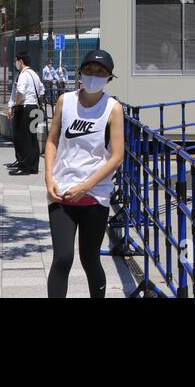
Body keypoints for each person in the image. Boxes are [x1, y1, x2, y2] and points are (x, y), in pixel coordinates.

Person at [44, 50, 125, 298]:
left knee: (90, 259)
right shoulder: (64, 101)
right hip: (62, 191)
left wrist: (86, 186)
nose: (94, 76)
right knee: (63, 258)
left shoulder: (113, 108)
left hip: (95, 194)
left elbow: (117, 156)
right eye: (89, 70)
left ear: (109, 78)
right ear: (80, 72)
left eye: (100, 72)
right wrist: (49, 178)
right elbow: (52, 140)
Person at [9, 51, 45, 176]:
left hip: (24, 108)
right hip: (34, 107)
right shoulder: (34, 74)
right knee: (32, 138)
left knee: (23, 137)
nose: (15, 63)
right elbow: (42, 90)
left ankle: (24, 166)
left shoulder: (24, 74)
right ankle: (33, 166)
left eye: (16, 61)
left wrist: (16, 104)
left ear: (21, 61)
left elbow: (20, 91)